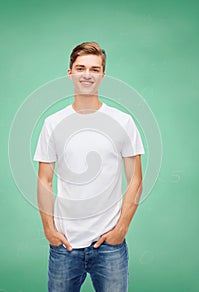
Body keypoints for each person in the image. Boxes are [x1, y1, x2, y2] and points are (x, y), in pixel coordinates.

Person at [33, 42, 144, 292]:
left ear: (103, 75)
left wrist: (121, 229)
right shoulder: (53, 123)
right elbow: (44, 180)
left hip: (109, 246)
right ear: (70, 72)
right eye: (81, 67)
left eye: (94, 69)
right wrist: (49, 230)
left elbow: (135, 179)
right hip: (65, 244)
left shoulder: (123, 122)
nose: (87, 74)